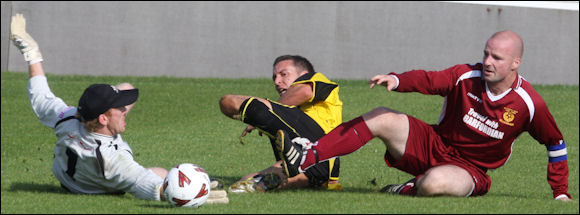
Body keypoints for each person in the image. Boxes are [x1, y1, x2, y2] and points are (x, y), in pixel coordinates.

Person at [276, 30, 572, 201]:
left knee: (434, 184)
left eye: (496, 57)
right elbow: (431, 80)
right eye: (486, 54)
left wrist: (560, 192)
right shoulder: (465, 76)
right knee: (381, 116)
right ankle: (306, 157)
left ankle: (409, 187)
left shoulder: (528, 103)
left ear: (516, 62)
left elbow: (555, 142)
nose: (487, 62)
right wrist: (397, 80)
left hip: (470, 170)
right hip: (432, 143)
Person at [10, 13, 229, 204]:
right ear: (103, 119)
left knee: (126, 87)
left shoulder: (69, 118)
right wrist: (189, 194)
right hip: (97, 187)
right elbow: (148, 185)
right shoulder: (115, 162)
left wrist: (32, 53)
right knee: (161, 173)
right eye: (119, 108)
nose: (126, 110)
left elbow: (41, 96)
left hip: (71, 177)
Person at [219, 55, 343, 192]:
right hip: (318, 172)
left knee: (228, 101)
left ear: (304, 75)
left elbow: (305, 91)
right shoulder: (286, 114)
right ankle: (205, 184)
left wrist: (260, 114)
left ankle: (298, 158)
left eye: (284, 74)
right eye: (275, 77)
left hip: (320, 149)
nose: (277, 81)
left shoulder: (317, 78)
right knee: (244, 183)